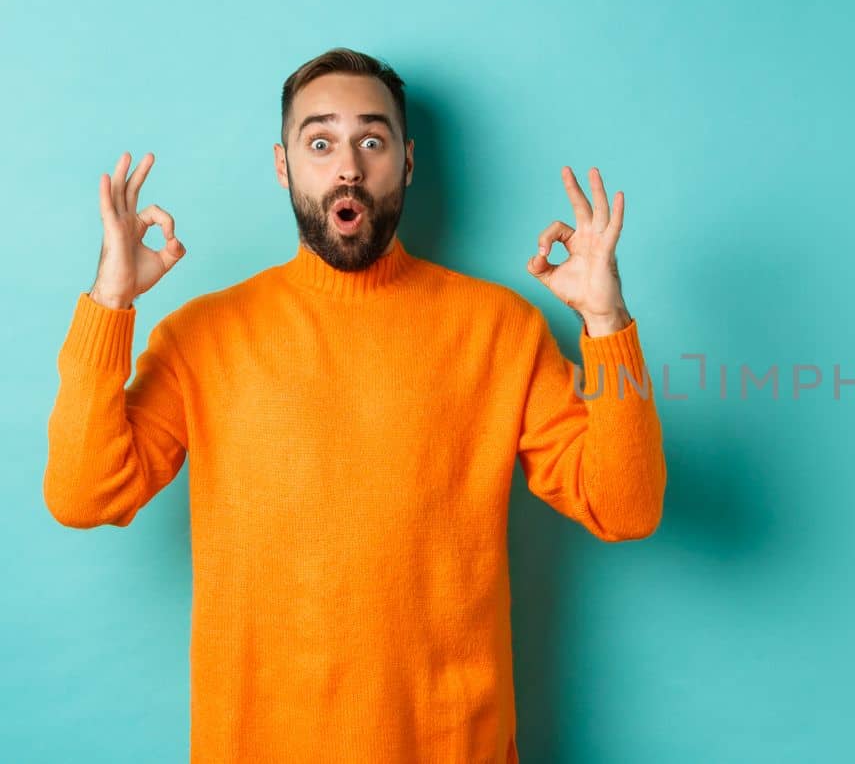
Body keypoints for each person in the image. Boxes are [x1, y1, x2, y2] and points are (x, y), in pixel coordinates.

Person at [42, 47, 666, 763]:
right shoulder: (201, 337)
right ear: (283, 166)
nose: (347, 167)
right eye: (320, 142)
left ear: (406, 162)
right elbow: (82, 494)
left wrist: (607, 323)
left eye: (372, 141)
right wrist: (110, 300)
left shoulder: (502, 329)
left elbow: (628, 505)